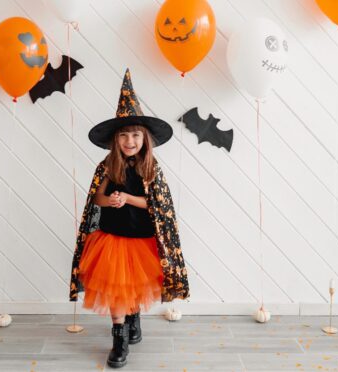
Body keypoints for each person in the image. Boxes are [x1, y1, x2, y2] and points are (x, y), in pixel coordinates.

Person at [69, 69, 189, 368]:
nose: (129, 140)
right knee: (116, 291)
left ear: (144, 138)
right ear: (115, 140)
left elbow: (156, 205)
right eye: (124, 135)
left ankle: (134, 318)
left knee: (133, 288)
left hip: (143, 239)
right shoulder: (107, 166)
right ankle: (119, 338)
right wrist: (109, 199)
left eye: (135, 135)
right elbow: (95, 198)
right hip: (112, 239)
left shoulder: (152, 168)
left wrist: (128, 198)